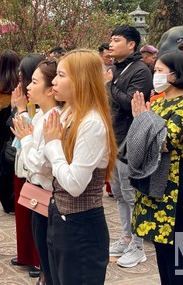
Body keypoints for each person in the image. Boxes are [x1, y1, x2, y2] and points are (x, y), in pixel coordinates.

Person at [40, 50, 116, 284]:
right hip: (59, 215)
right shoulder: (68, 113)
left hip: (81, 225)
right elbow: (44, 167)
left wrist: (52, 145)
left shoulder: (92, 122)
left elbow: (74, 184)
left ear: (81, 80)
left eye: (61, 75)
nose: (54, 81)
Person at [130, 50, 183, 285]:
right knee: (160, 243)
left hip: (173, 183)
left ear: (175, 74)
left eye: (159, 71)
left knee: (175, 246)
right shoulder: (158, 104)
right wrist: (144, 121)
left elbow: (166, 143)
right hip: (153, 177)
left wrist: (143, 119)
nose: (155, 75)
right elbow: (139, 140)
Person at [104, 25, 153, 267]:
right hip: (113, 139)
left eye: (117, 40)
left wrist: (110, 86)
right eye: (111, 40)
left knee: (132, 194)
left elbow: (131, 105)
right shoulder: (115, 68)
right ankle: (125, 236)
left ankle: (138, 244)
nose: (111, 44)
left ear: (131, 44)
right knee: (120, 194)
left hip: (130, 140)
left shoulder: (141, 71)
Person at [12, 59, 60, 285]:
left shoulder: (54, 118)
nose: (28, 88)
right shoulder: (41, 115)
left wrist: (27, 140)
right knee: (43, 253)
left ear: (51, 89)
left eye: (33, 81)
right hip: (37, 192)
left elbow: (41, 164)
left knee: (50, 258)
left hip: (48, 193)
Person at [0, 49, 20, 214]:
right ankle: (17, 198)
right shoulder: (21, 82)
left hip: (2, 122)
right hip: (18, 117)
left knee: (3, 159)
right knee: (16, 156)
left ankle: (7, 202)